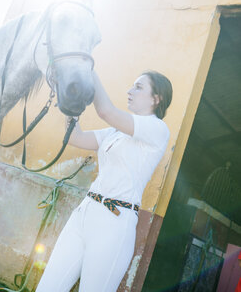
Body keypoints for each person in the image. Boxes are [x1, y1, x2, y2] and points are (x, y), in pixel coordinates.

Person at [36, 70, 173, 292]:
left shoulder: (158, 129)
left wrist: (89, 72)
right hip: (84, 212)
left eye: (138, 87)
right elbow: (75, 137)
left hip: (114, 221)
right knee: (48, 287)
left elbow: (105, 110)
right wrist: (71, 107)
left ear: (156, 99)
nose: (130, 91)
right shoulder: (115, 132)